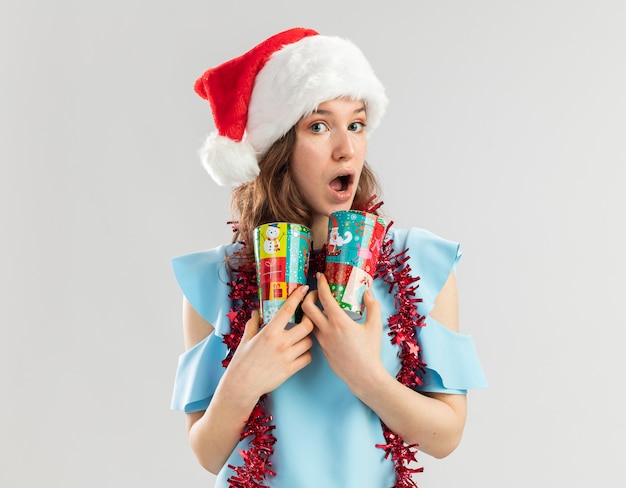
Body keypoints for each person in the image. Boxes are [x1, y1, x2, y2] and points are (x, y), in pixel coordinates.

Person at [170, 27, 487, 488]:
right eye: (319, 126)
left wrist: (367, 376)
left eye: (356, 124)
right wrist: (242, 382)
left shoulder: (417, 262)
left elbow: (446, 435)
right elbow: (208, 452)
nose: (347, 147)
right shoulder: (219, 277)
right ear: (277, 146)